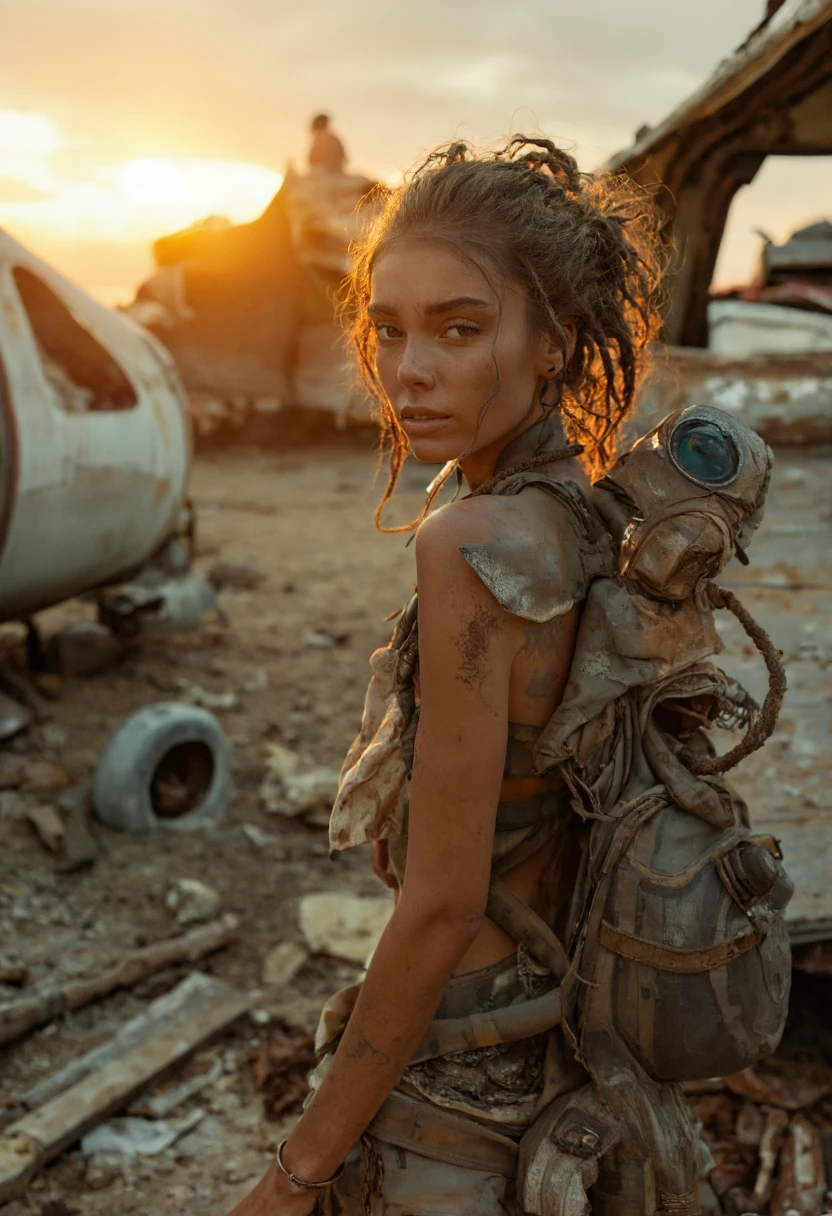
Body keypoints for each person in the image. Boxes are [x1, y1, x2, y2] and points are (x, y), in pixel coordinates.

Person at [229, 135, 664, 1216]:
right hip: (562, 1041)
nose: (408, 367)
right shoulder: (582, 515)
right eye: (388, 329)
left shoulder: (468, 543)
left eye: (459, 329)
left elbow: (438, 908)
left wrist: (294, 1174)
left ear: (554, 345)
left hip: (462, 1081)